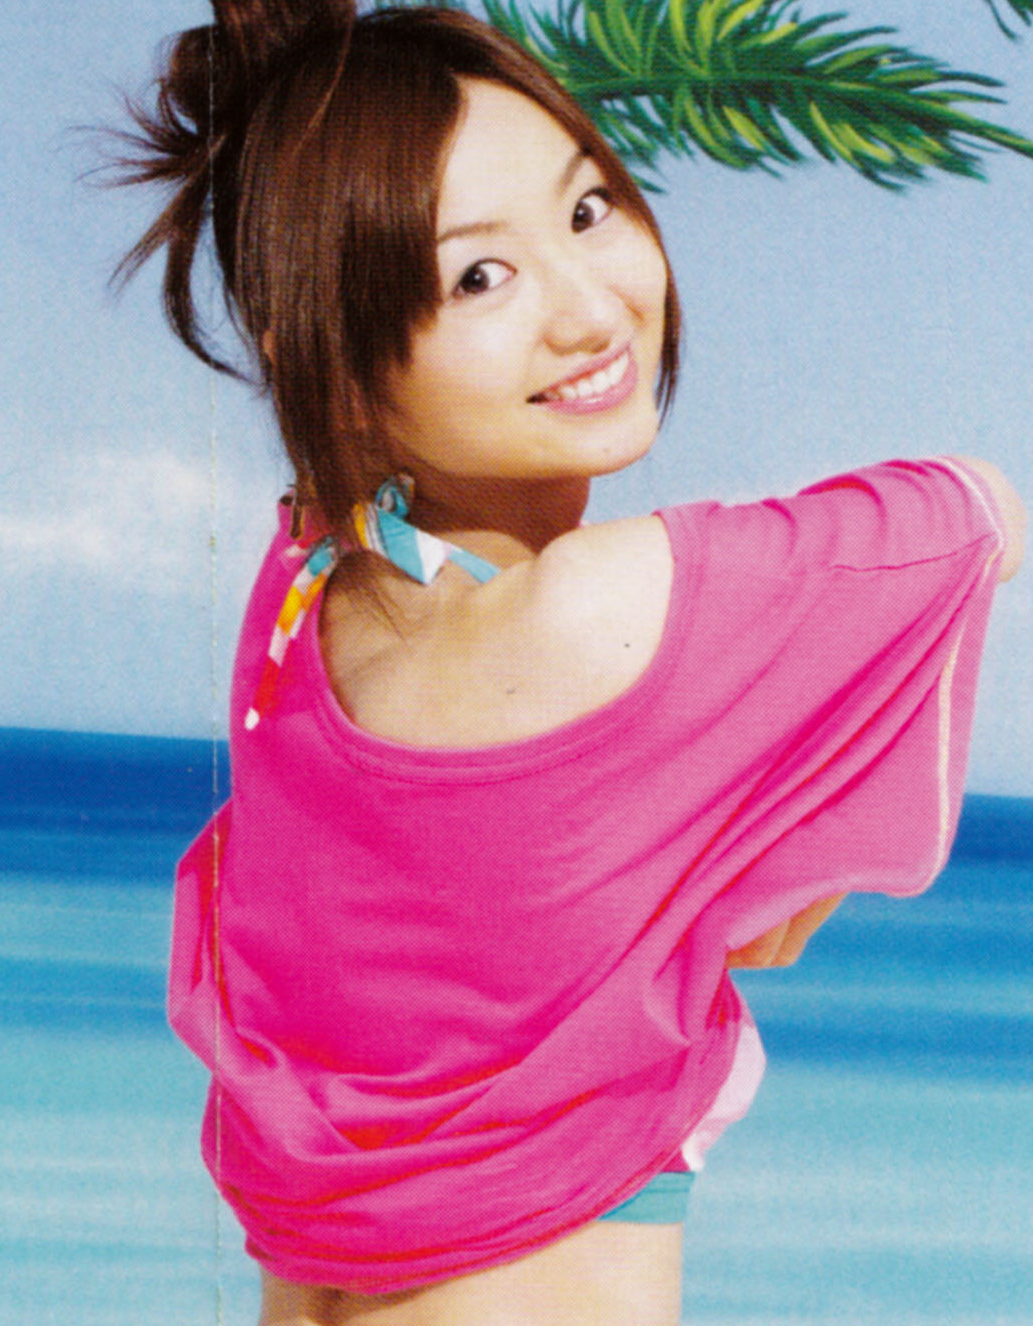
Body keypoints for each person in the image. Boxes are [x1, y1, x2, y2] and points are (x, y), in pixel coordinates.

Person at [115, 2, 1025, 1323]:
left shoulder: (303, 593)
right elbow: (978, 513)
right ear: (332, 358)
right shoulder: (597, 605)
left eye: (590, 209)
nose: (590, 310)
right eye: (480, 278)